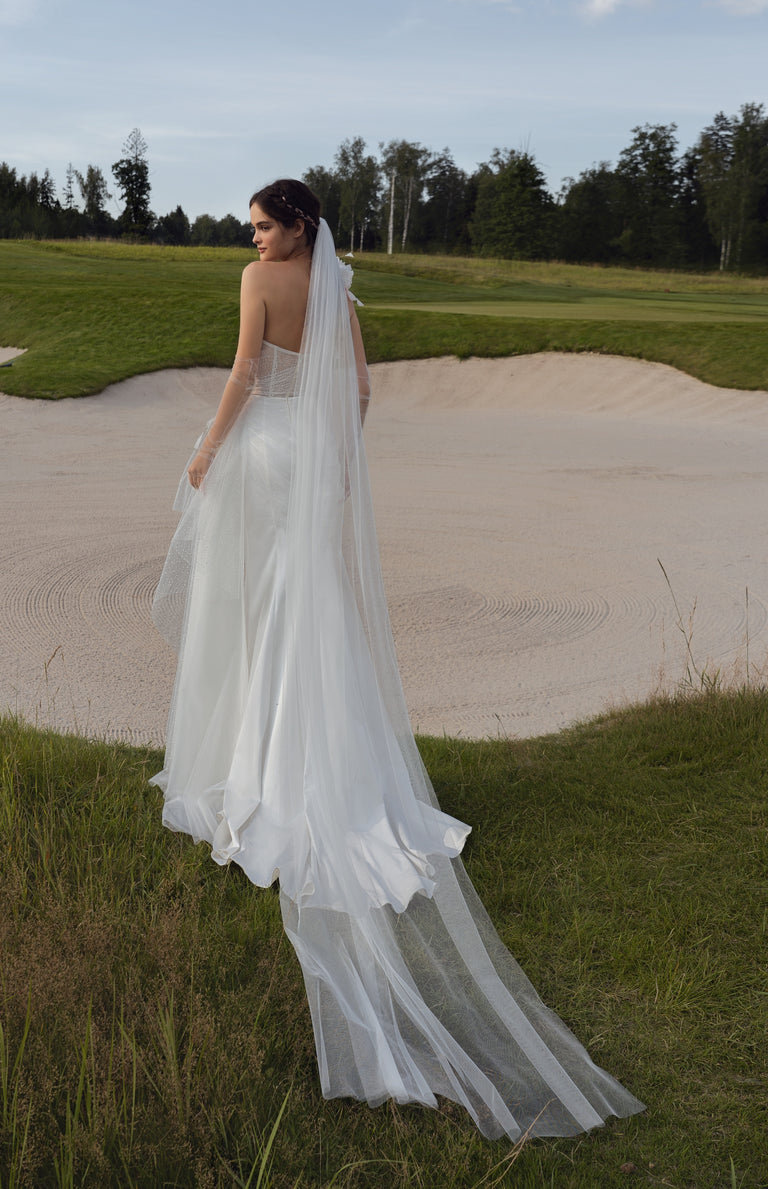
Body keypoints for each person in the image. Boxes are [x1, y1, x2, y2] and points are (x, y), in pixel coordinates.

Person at [151, 178, 644, 1141]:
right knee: (311, 611)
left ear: (298, 226)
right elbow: (363, 388)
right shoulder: (334, 285)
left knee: (260, 612)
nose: (252, 239)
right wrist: (336, 461)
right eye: (249, 227)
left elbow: (246, 374)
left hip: (261, 451)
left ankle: (268, 774)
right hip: (314, 455)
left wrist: (209, 450)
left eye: (263, 225)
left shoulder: (259, 285)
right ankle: (338, 771)